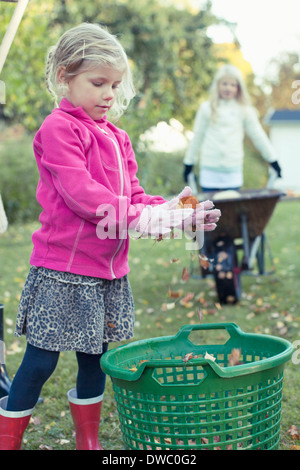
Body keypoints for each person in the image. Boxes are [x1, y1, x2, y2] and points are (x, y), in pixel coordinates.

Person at [0, 23, 220, 451]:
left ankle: (89, 442)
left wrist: (175, 210)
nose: (109, 95)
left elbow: (133, 196)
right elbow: (85, 197)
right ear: (65, 76)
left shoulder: (118, 138)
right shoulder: (59, 129)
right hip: (62, 271)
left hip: (105, 273)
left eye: (115, 85)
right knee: (41, 361)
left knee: (93, 360)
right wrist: (148, 219)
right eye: (97, 83)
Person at [183, 64, 281, 192]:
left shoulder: (245, 110)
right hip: (210, 172)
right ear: (218, 85)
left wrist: (272, 160)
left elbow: (258, 135)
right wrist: (189, 163)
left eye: (232, 85)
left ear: (238, 88)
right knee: (210, 211)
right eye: (224, 84)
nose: (228, 88)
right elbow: (198, 136)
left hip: (232, 173)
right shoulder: (206, 108)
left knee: (230, 210)